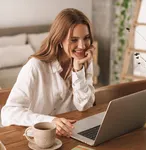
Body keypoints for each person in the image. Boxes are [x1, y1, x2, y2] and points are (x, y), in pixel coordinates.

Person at [1, 8, 95, 138]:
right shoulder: (35, 67)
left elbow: (84, 106)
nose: (82, 46)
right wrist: (50, 121)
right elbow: (8, 113)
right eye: (74, 40)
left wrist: (78, 70)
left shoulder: (84, 61)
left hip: (69, 135)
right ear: (59, 39)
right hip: (37, 138)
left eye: (86, 38)